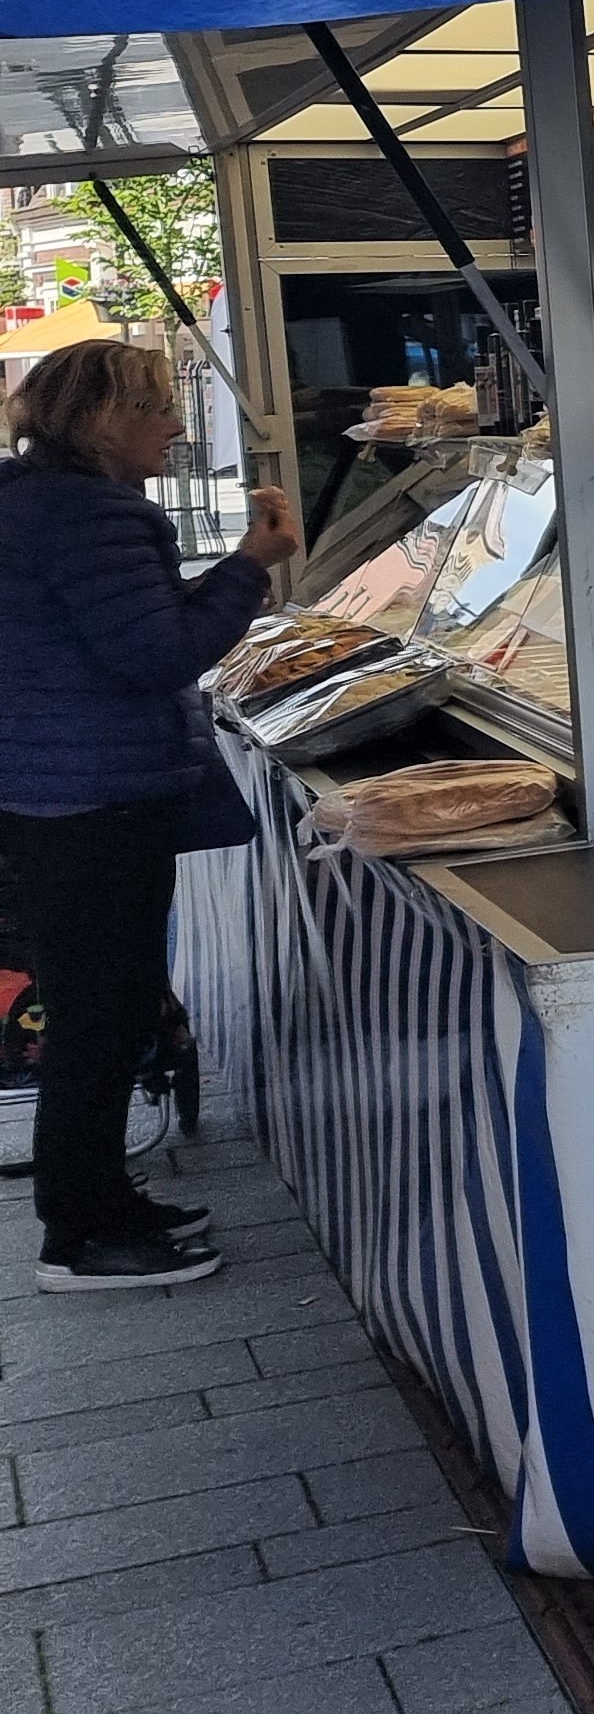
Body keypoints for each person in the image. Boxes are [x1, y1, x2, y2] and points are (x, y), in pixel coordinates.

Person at [0, 337, 294, 1290]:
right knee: (97, 1015)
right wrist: (252, 563)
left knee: (106, 1003)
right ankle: (78, 1237)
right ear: (100, 421)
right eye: (156, 407)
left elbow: (131, 630)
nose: (174, 424)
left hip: (56, 791)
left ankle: (103, 1200)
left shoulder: (36, 500)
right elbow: (155, 656)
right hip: (94, 800)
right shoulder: (88, 512)